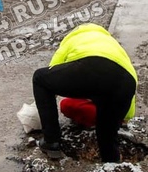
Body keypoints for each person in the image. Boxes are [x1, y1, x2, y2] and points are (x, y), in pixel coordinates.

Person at [32, 23, 137, 162]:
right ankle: (112, 162)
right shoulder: (112, 43)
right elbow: (129, 104)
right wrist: (119, 118)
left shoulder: (72, 39)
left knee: (39, 78)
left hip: (88, 68)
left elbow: (52, 71)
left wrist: (43, 105)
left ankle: (51, 141)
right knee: (106, 136)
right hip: (125, 81)